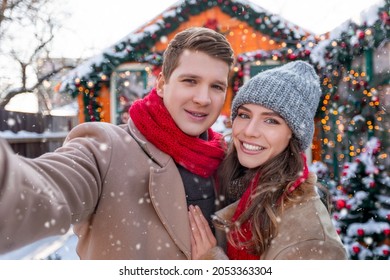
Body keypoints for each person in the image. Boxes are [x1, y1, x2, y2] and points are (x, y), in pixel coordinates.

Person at [0, 27, 234, 259]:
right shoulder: (107, 150)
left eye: (216, 86)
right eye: (190, 81)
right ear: (162, 85)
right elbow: (40, 191)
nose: (203, 98)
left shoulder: (227, 165)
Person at [188, 61, 348, 260]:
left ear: (294, 135)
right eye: (244, 115)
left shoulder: (313, 241)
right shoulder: (234, 183)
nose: (249, 131)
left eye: (270, 120)